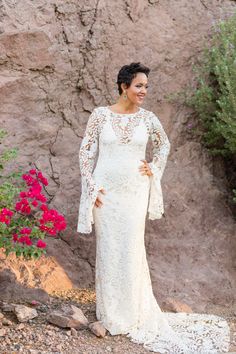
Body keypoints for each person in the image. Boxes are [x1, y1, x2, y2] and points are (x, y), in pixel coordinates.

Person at [77, 62, 230, 353]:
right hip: (106, 194)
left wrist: (153, 167)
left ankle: (134, 313)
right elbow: (86, 152)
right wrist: (91, 187)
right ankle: (109, 314)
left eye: (146, 86)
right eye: (139, 86)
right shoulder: (99, 116)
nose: (144, 91)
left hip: (135, 192)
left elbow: (163, 145)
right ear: (124, 86)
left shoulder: (148, 119)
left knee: (132, 247)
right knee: (109, 248)